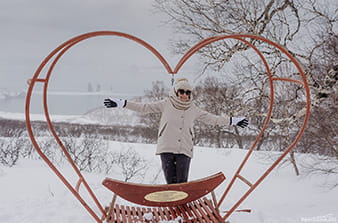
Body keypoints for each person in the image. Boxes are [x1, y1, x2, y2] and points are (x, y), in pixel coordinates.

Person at [104, 78, 248, 184]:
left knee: (182, 184)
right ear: (176, 92)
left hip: (184, 149)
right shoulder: (166, 104)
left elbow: (213, 119)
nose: (184, 94)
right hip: (166, 147)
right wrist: (122, 103)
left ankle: (182, 210)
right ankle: (173, 210)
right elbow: (144, 108)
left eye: (187, 92)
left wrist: (233, 121)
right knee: (171, 183)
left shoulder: (193, 109)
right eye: (181, 91)